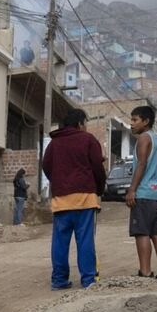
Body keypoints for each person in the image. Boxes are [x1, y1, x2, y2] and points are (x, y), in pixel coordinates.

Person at [41, 107, 106, 289]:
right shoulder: (88, 140)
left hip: (61, 200)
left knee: (59, 242)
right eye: (85, 123)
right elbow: (97, 168)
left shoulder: (54, 143)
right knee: (85, 240)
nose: (86, 127)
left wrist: (59, 181)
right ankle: (88, 280)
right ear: (79, 123)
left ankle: (59, 280)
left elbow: (46, 166)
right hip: (85, 198)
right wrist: (99, 189)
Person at [125, 105, 157, 281]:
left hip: (144, 194)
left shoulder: (144, 138)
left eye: (135, 120)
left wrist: (132, 189)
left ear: (146, 121)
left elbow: (142, 164)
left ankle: (145, 272)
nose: (131, 124)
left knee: (142, 233)